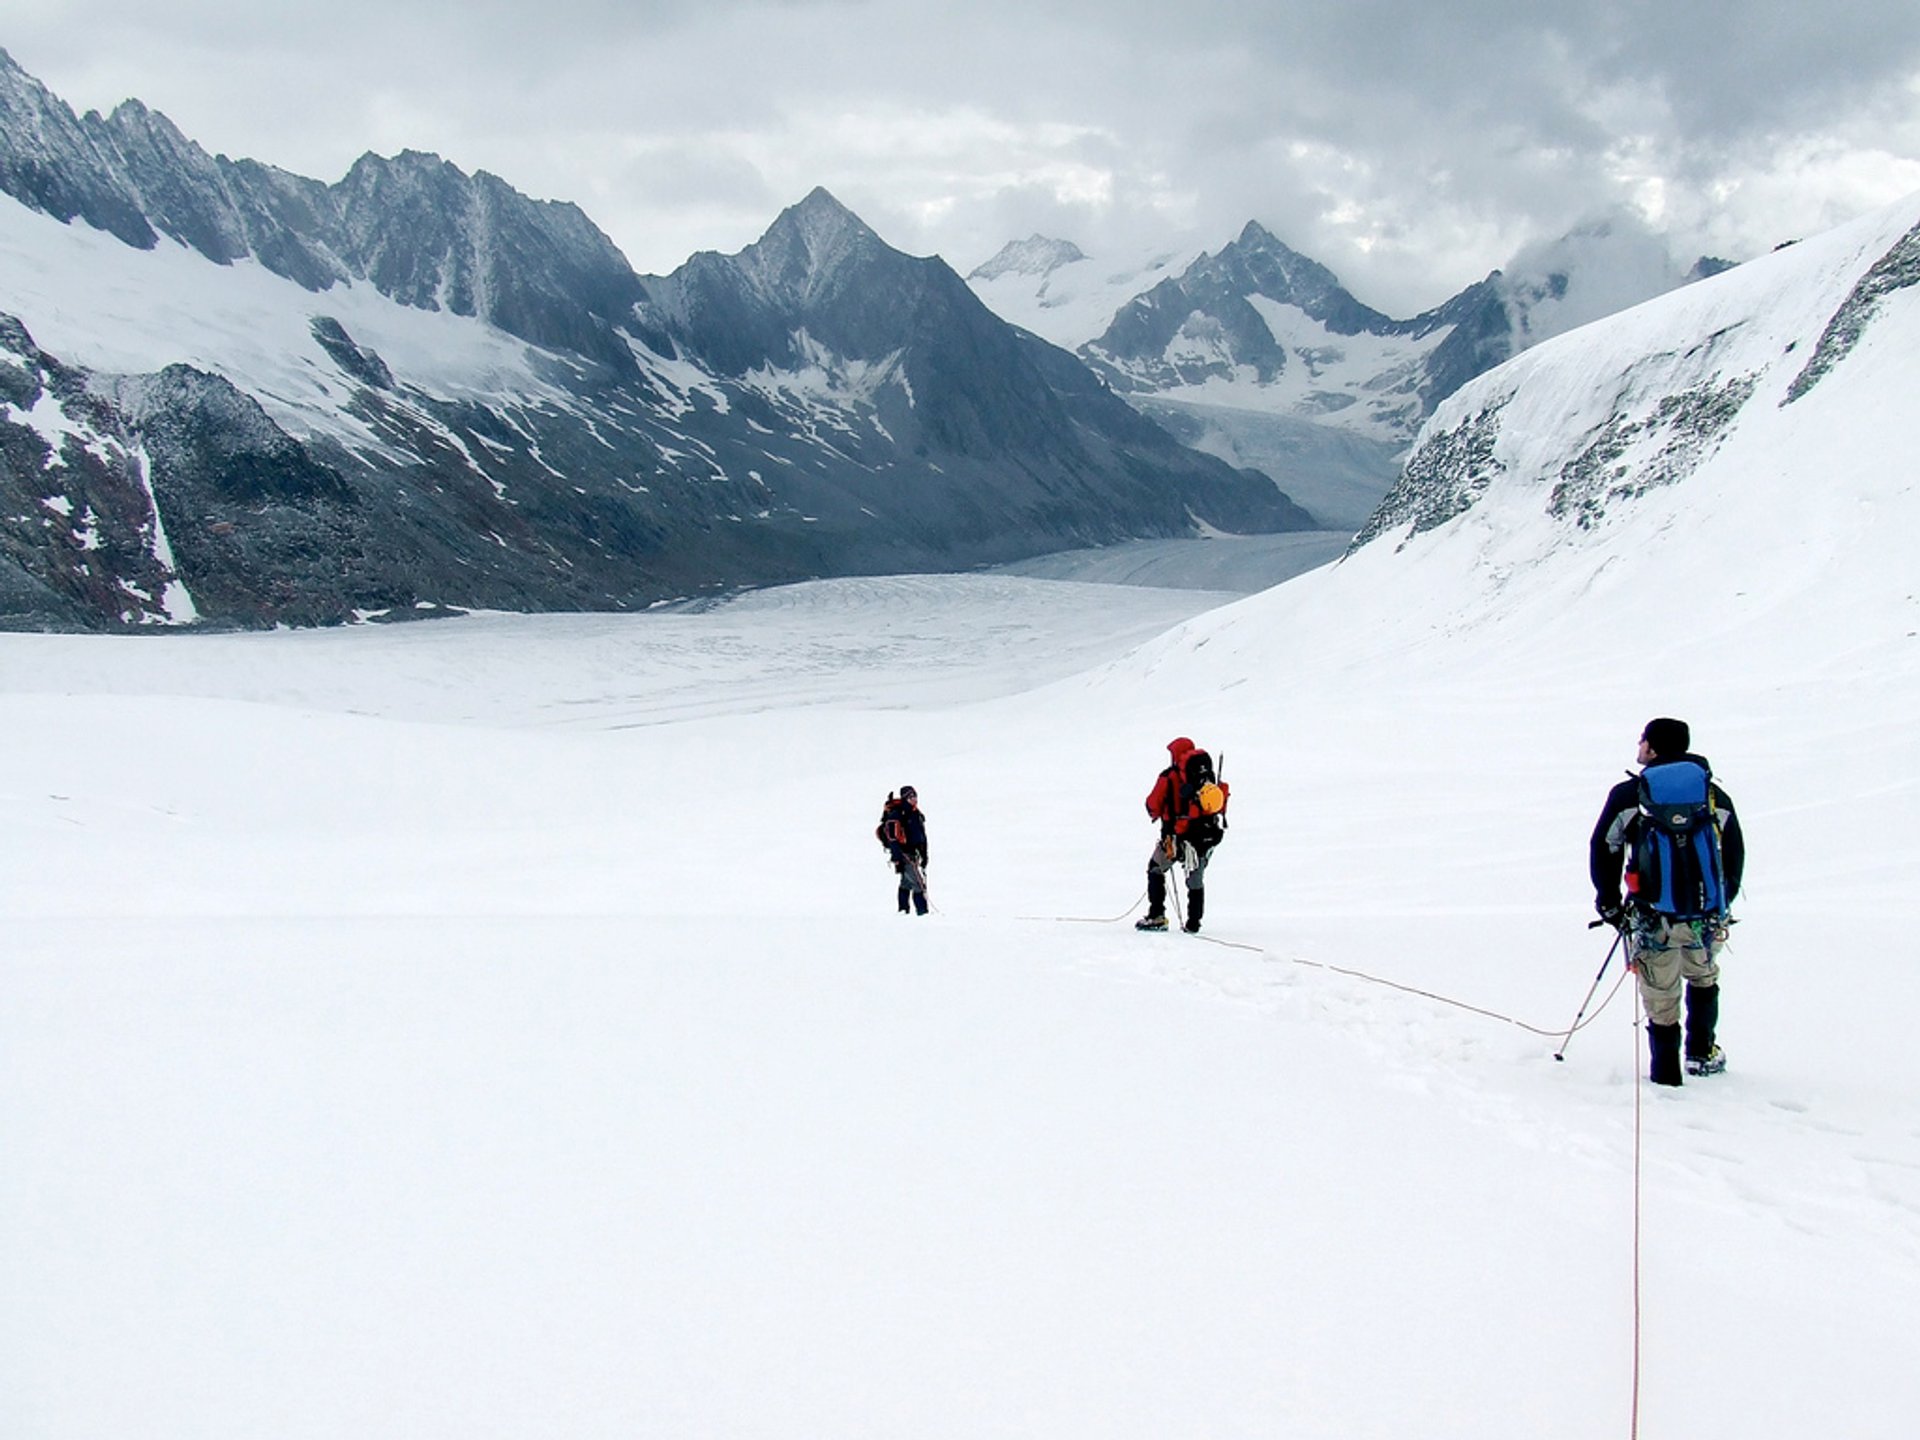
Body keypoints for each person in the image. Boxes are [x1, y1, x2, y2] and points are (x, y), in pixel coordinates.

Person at [1590, 717, 1746, 1085]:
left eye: (1643, 740)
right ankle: (1702, 1053)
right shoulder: (1712, 794)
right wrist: (1723, 901)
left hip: (1651, 913)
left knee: (1661, 992)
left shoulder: (1630, 795)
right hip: (1705, 913)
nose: (1639, 745)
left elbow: (1604, 847)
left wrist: (1609, 903)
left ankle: (1666, 1075)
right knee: (1703, 976)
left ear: (1653, 748)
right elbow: (1734, 850)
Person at [1136, 737, 1225, 933]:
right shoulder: (1207, 777)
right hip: (1202, 837)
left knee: (1155, 869)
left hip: (1175, 838)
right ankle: (1193, 924)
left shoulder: (1169, 777)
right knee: (1195, 880)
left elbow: (1152, 805)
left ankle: (1157, 916)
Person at [877, 785, 929, 916]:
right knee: (918, 884)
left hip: (914, 853)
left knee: (906, 882)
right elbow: (893, 839)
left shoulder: (916, 813)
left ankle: (903, 911)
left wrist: (924, 855)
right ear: (905, 798)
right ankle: (922, 913)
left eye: (915, 797)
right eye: (911, 797)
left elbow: (922, 836)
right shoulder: (897, 815)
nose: (914, 800)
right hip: (904, 854)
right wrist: (897, 859)